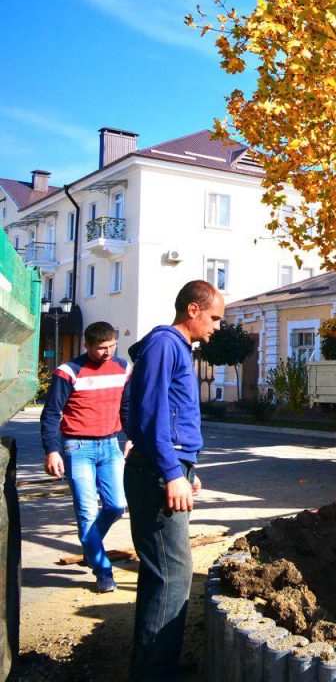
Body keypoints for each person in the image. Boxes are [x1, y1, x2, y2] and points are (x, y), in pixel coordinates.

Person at [125, 280, 223, 681]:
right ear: (193, 310)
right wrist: (170, 471)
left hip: (166, 469)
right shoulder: (165, 344)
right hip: (156, 474)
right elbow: (146, 414)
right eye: (215, 317)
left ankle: (157, 662)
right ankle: (153, 673)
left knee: (163, 572)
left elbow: (158, 412)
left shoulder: (172, 348)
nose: (218, 326)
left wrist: (186, 469)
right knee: (172, 575)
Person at [40, 320, 131, 593]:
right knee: (87, 511)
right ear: (87, 345)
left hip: (110, 446)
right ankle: (103, 571)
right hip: (76, 448)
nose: (108, 352)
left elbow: (126, 407)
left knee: (116, 506)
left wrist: (133, 438)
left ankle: (90, 545)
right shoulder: (68, 371)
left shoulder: (124, 368)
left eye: (112, 346)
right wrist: (52, 450)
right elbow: (51, 414)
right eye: (102, 348)